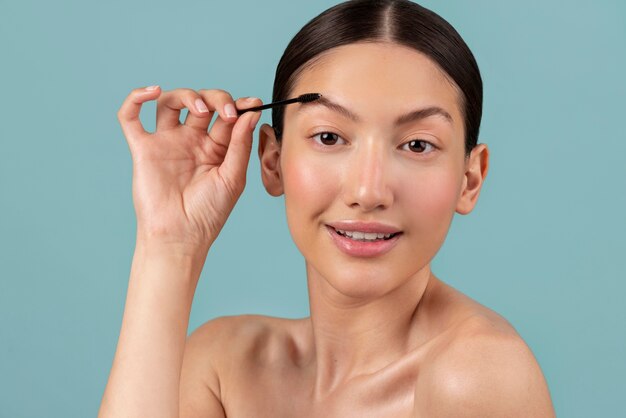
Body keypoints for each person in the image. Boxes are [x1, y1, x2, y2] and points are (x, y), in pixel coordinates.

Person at [99, 0, 556, 416]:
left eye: (417, 144)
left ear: (469, 178)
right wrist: (169, 245)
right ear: (272, 160)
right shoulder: (222, 367)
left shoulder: (477, 375)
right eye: (329, 137)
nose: (368, 189)